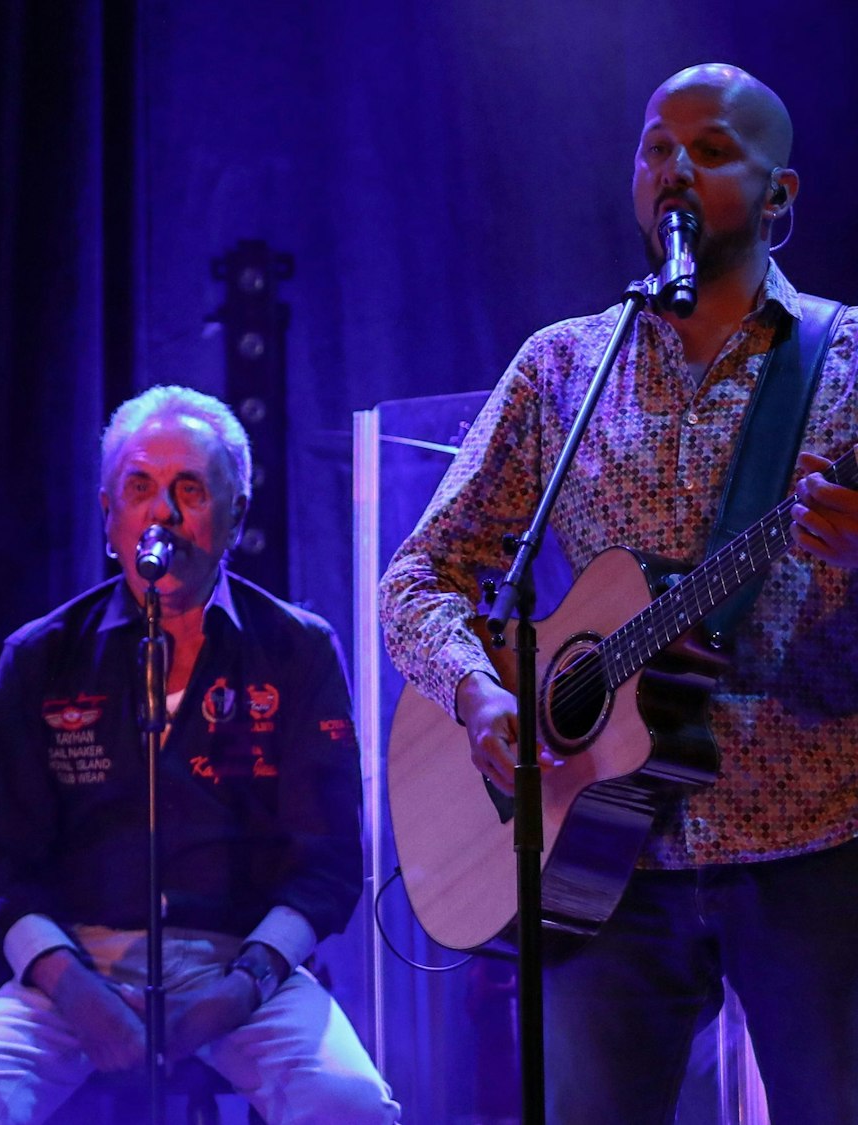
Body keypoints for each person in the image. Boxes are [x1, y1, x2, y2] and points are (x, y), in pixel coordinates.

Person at [380, 63, 858, 1124]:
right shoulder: (564, 367)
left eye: (710, 149)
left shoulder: (849, 364)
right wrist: (474, 691)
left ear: (778, 197)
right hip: (598, 853)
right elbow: (421, 574)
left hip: (812, 850)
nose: (672, 169)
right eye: (654, 148)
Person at [0, 386, 397, 1124]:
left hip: (242, 962)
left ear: (235, 515)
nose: (162, 511)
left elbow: (325, 860)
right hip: (77, 968)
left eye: (189, 488)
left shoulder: (296, 648)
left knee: (348, 1103)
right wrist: (76, 991)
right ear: (110, 518)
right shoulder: (41, 657)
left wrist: (245, 983)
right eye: (139, 487)